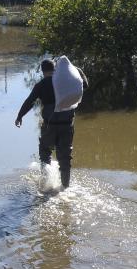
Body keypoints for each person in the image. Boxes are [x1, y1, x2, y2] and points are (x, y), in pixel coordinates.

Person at [15, 58, 88, 188]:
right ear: (55, 69)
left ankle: (46, 185)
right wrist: (77, 71)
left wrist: (20, 116)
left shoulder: (41, 84)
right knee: (65, 159)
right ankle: (65, 188)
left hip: (50, 126)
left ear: (43, 71)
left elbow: (30, 101)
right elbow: (85, 85)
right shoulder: (66, 82)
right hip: (67, 125)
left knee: (45, 153)